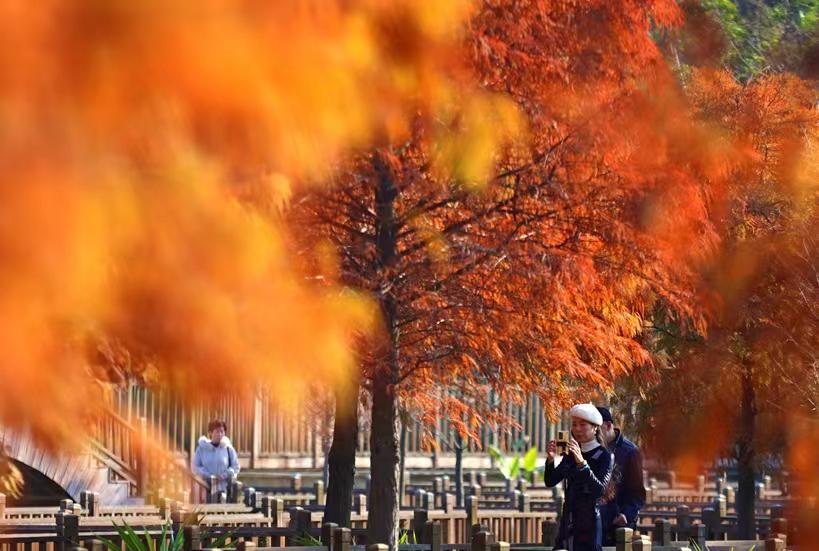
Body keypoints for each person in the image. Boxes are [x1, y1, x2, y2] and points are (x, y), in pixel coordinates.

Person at [545, 403, 614, 551]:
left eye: (583, 425)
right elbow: (551, 480)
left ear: (595, 427)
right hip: (568, 521)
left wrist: (582, 464)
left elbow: (599, 490)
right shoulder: (570, 453)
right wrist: (550, 459)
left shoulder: (604, 455)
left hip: (588, 524)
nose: (577, 429)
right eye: (575, 424)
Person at [596, 406, 646, 546]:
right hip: (595, 520)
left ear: (608, 425)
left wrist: (626, 514)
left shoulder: (630, 451)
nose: (594, 433)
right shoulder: (592, 449)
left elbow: (638, 493)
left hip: (619, 524)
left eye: (597, 428)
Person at [192, 419, 240, 493]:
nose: (220, 434)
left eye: (222, 431)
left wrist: (224, 475)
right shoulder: (202, 448)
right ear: (210, 433)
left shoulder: (228, 448)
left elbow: (235, 466)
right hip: (205, 488)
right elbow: (195, 467)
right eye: (217, 431)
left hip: (224, 488)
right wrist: (209, 476)